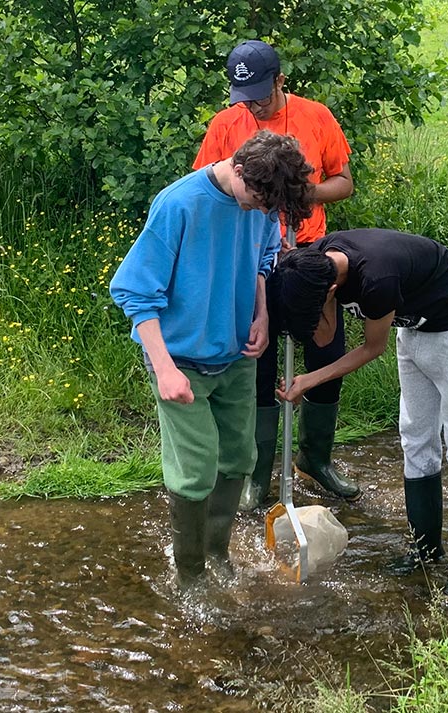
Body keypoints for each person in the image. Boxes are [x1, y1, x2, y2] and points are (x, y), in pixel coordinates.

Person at [109, 130, 315, 591]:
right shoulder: (179, 204)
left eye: (271, 209)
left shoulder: (263, 201)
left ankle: (217, 554)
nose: (264, 214)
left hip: (238, 354)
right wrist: (164, 369)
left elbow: (264, 258)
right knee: (197, 466)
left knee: (241, 456)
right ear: (238, 170)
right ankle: (190, 574)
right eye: (260, 202)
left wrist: (261, 314)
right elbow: (134, 291)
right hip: (180, 359)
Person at [269, 229, 448, 601]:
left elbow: (373, 347)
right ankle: (426, 549)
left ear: (328, 289)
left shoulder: (377, 278)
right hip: (415, 329)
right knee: (416, 438)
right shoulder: (318, 261)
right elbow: (323, 337)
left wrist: (308, 381)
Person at [194, 39, 359, 508]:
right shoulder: (225, 125)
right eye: (245, 96)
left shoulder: (316, 116)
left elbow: (344, 183)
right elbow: (207, 188)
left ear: (281, 81)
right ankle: (257, 475)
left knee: (327, 354)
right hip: (252, 259)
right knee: (259, 361)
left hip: (311, 257)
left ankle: (315, 459)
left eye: (262, 95)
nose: (254, 105)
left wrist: (300, 196)